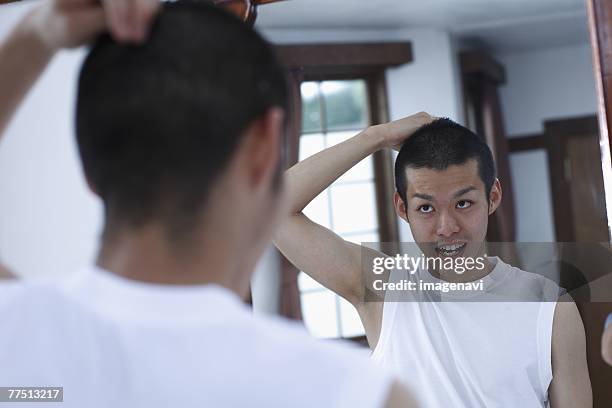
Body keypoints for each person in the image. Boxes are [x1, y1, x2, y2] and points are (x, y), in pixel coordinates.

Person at [0, 1, 416, 407]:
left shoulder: (16, 332)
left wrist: (37, 33)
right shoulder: (352, 393)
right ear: (266, 147)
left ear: (89, 170)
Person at [275, 115, 592, 407]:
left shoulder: (551, 307)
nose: (447, 228)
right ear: (403, 208)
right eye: (426, 208)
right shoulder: (384, 289)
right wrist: (375, 137)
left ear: (492, 197)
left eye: (463, 203)